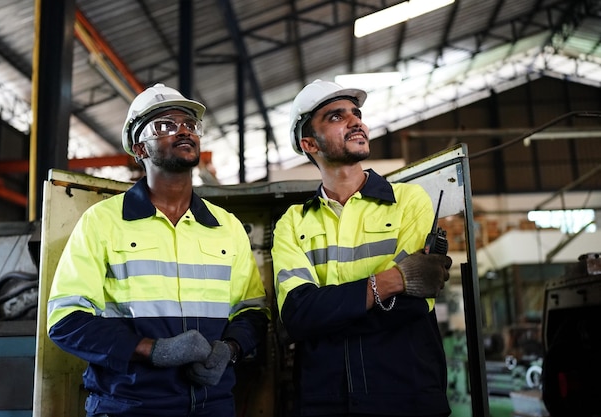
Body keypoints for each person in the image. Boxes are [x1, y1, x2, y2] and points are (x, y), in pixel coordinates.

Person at [47, 83, 270, 417]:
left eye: (190, 125)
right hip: (129, 406)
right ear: (140, 149)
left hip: (212, 406)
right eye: (165, 126)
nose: (183, 131)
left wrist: (230, 349)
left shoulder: (226, 227)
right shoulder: (103, 222)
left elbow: (252, 311)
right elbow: (66, 320)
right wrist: (153, 350)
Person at [271, 79, 453, 417]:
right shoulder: (293, 223)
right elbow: (298, 316)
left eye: (356, 114)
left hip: (406, 396)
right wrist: (386, 283)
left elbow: (413, 304)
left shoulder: (408, 201)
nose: (356, 121)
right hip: (327, 402)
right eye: (337, 117)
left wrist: (327, 315)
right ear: (309, 143)